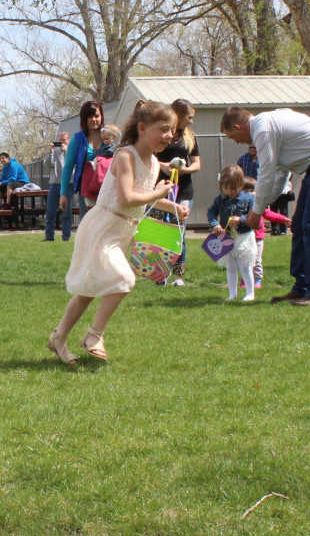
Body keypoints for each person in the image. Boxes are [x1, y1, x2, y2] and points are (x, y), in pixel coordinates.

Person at [47, 100, 187, 364]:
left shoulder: (154, 163)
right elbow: (126, 198)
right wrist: (159, 192)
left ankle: (58, 337)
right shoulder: (125, 156)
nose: (169, 135)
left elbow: (143, 195)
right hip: (104, 228)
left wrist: (173, 207)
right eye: (163, 129)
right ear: (142, 128)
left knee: (89, 289)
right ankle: (94, 336)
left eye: (172, 130)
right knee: (124, 280)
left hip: (122, 232)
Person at [220, 105, 310, 306]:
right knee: (299, 225)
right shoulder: (268, 127)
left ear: (238, 126)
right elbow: (278, 178)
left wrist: (256, 212)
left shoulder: (263, 129)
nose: (236, 141)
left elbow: (266, 174)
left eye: (232, 136)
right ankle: (301, 288)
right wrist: (260, 207)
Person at [159, 98, 202, 286]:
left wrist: (185, 170)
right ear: (178, 115)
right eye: (189, 117)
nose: (191, 121)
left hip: (183, 190)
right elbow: (149, 158)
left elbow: (197, 163)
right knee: (161, 230)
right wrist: (163, 166)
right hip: (161, 189)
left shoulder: (189, 137)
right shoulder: (163, 134)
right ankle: (160, 273)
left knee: (179, 232)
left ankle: (178, 276)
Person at [206, 165, 258, 301]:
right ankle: (232, 294)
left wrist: (241, 219)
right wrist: (215, 224)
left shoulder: (249, 198)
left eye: (234, 188)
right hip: (227, 237)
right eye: (227, 188)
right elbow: (211, 212)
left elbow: (254, 215)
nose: (230, 192)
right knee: (231, 267)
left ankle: (250, 293)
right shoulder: (220, 199)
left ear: (241, 184)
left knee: (245, 266)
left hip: (244, 237)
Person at [60, 101, 104, 219]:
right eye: (90, 116)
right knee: (87, 224)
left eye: (97, 116)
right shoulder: (77, 140)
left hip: (107, 189)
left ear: (101, 117)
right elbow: (68, 168)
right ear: (84, 119)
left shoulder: (108, 135)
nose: (94, 119)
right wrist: (63, 194)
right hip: (86, 191)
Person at [43, 132, 71, 241]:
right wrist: (51, 152)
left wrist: (66, 151)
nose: (62, 142)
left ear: (69, 140)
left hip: (67, 185)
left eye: (64, 140)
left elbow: (73, 165)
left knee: (66, 213)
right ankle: (49, 237)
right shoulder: (55, 152)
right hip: (54, 185)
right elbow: (47, 165)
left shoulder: (71, 151)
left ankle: (66, 237)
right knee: (50, 212)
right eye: (60, 140)